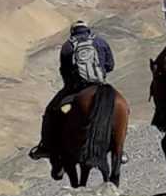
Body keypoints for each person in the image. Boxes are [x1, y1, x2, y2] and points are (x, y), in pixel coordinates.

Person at [29, 21, 115, 160]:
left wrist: (70, 85)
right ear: (88, 29)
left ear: (72, 31)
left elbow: (64, 71)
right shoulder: (100, 41)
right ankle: (119, 150)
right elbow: (110, 65)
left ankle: (45, 147)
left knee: (50, 111)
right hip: (100, 85)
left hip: (76, 88)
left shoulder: (67, 46)